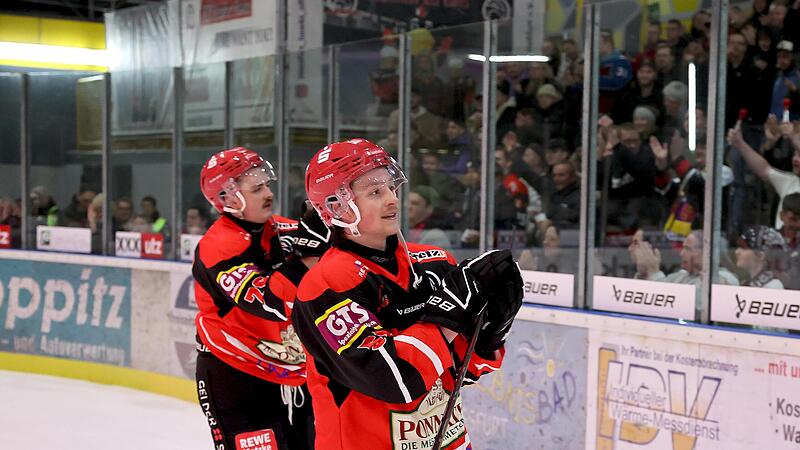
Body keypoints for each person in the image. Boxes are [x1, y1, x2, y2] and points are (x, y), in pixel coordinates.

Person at [292, 138, 523, 450]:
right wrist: (448, 314)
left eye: (391, 187)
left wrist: (492, 330)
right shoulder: (327, 283)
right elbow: (395, 380)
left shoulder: (435, 261)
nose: (393, 200)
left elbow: (460, 372)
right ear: (338, 207)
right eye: (375, 192)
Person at [192, 147, 317, 450]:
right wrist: (306, 257)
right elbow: (268, 302)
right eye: (257, 188)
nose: (268, 193)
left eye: (267, 185)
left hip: (288, 370)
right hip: (234, 374)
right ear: (229, 198)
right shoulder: (218, 246)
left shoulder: (278, 228)